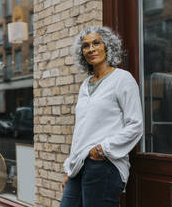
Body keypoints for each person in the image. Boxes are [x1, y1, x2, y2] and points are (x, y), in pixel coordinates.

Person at [60, 26, 143, 207]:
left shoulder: (122, 79)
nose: (91, 49)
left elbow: (135, 125)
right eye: (86, 46)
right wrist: (70, 168)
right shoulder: (85, 85)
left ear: (107, 46)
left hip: (104, 164)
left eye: (96, 43)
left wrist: (102, 150)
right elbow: (81, 129)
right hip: (79, 165)